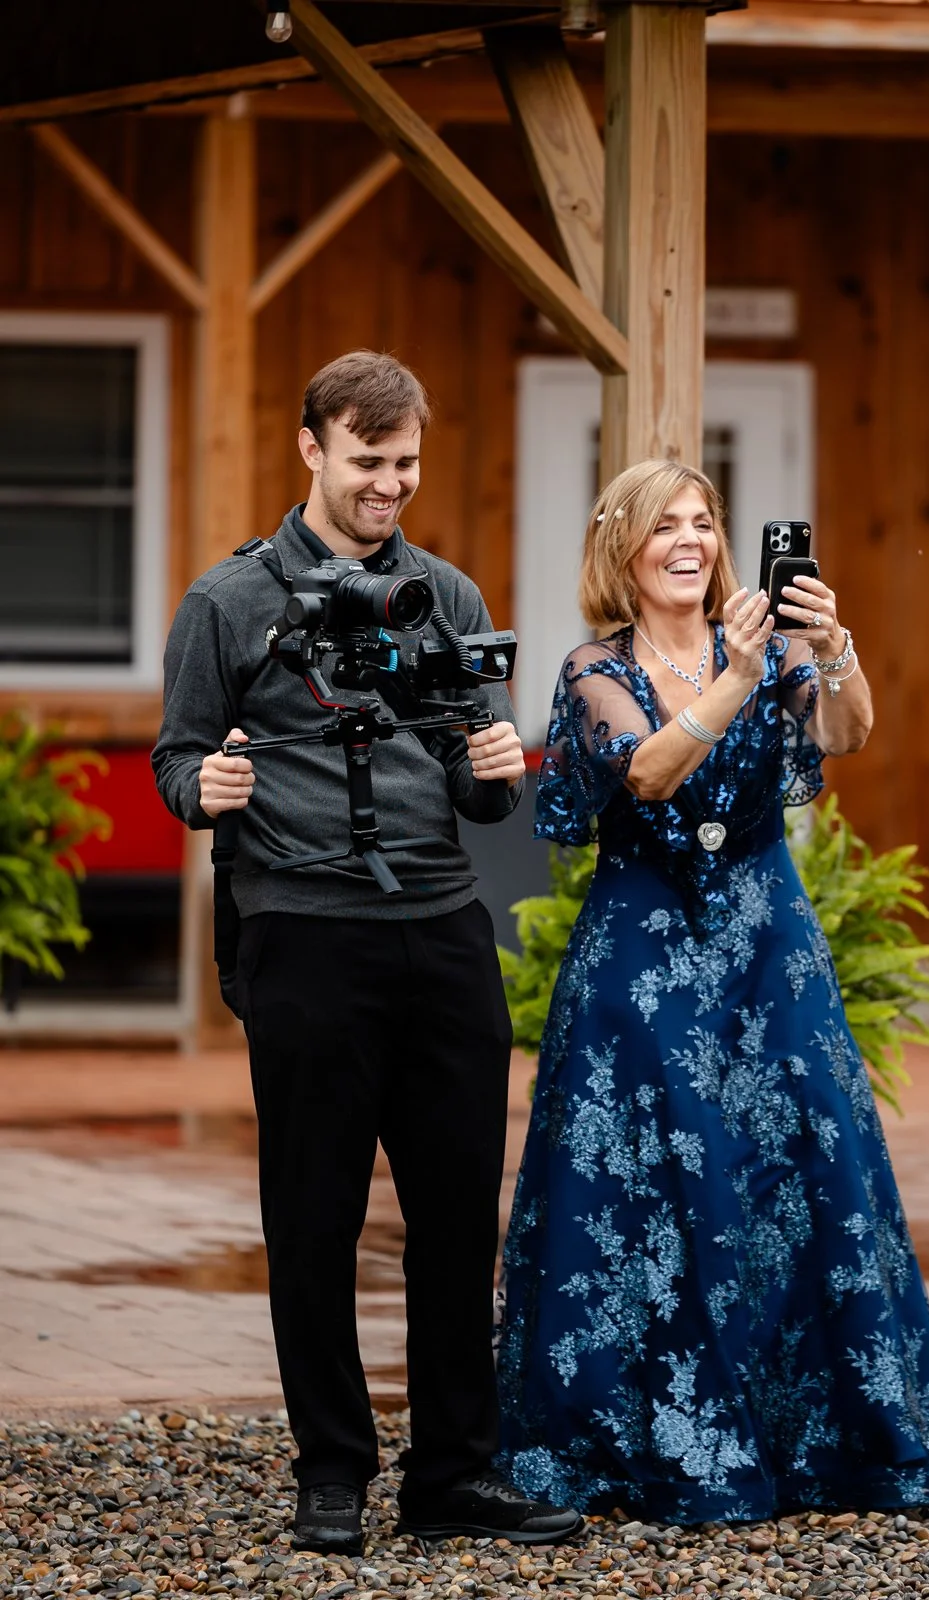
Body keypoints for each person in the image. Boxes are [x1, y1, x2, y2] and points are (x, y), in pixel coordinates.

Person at [495, 459, 929, 1524]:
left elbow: (844, 732)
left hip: (769, 947)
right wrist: (741, 674)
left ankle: (812, 1435)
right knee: (652, 1181)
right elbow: (647, 772)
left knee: (798, 1163)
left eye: (703, 522)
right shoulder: (594, 666)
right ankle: (649, 1440)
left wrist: (832, 647)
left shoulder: (768, 646)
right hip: (642, 954)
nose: (689, 541)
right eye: (663, 524)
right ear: (622, 546)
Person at [152, 351, 582, 1555]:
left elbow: (481, 788)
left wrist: (494, 773)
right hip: (302, 933)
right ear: (311, 448)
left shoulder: (445, 593)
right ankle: (332, 1471)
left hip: (443, 933)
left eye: (406, 464)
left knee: (457, 1214)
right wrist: (205, 785)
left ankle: (453, 1476)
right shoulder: (226, 601)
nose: (389, 484)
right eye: (367, 461)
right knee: (313, 1215)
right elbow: (177, 756)